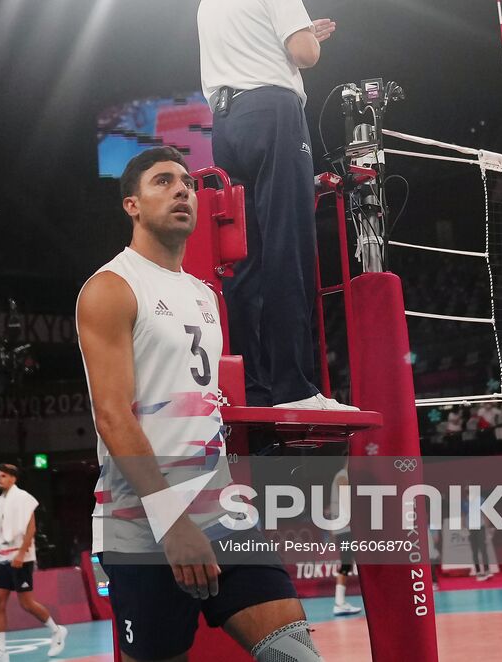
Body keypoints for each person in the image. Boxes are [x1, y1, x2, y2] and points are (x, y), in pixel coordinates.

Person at [77, 147, 321, 662]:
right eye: (163, 182)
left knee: (296, 655)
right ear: (131, 205)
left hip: (223, 514)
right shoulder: (111, 288)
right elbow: (113, 417)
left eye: (187, 182)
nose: (182, 190)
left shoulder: (205, 295)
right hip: (142, 526)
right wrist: (172, 521)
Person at [197, 0, 353, 412]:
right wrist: (305, 37)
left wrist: (297, 31)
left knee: (244, 259)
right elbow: (304, 55)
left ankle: (255, 389)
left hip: (226, 127)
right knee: (289, 245)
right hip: (273, 114)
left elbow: (256, 48)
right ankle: (296, 389)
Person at [0, 463, 69, 662]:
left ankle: (57, 631)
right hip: (2, 556)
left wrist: (21, 554)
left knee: (26, 603)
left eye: (4, 476)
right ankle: (1, 651)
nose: (0, 479)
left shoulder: (23, 498)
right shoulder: (0, 501)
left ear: (13, 478)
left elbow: (31, 529)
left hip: (21, 556)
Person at [325, 464, 363, 614]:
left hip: (344, 527)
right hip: (345, 527)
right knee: (347, 563)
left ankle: (340, 602)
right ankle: (339, 603)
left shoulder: (344, 475)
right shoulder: (343, 475)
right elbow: (345, 498)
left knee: (348, 563)